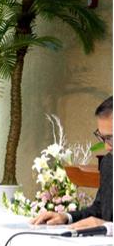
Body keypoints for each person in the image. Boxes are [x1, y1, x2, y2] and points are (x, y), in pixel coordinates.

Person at [33, 96, 112, 233]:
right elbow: (99, 209)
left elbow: (105, 222)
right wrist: (66, 217)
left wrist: (108, 227)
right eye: (102, 137)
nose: (106, 146)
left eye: (111, 138)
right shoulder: (109, 163)